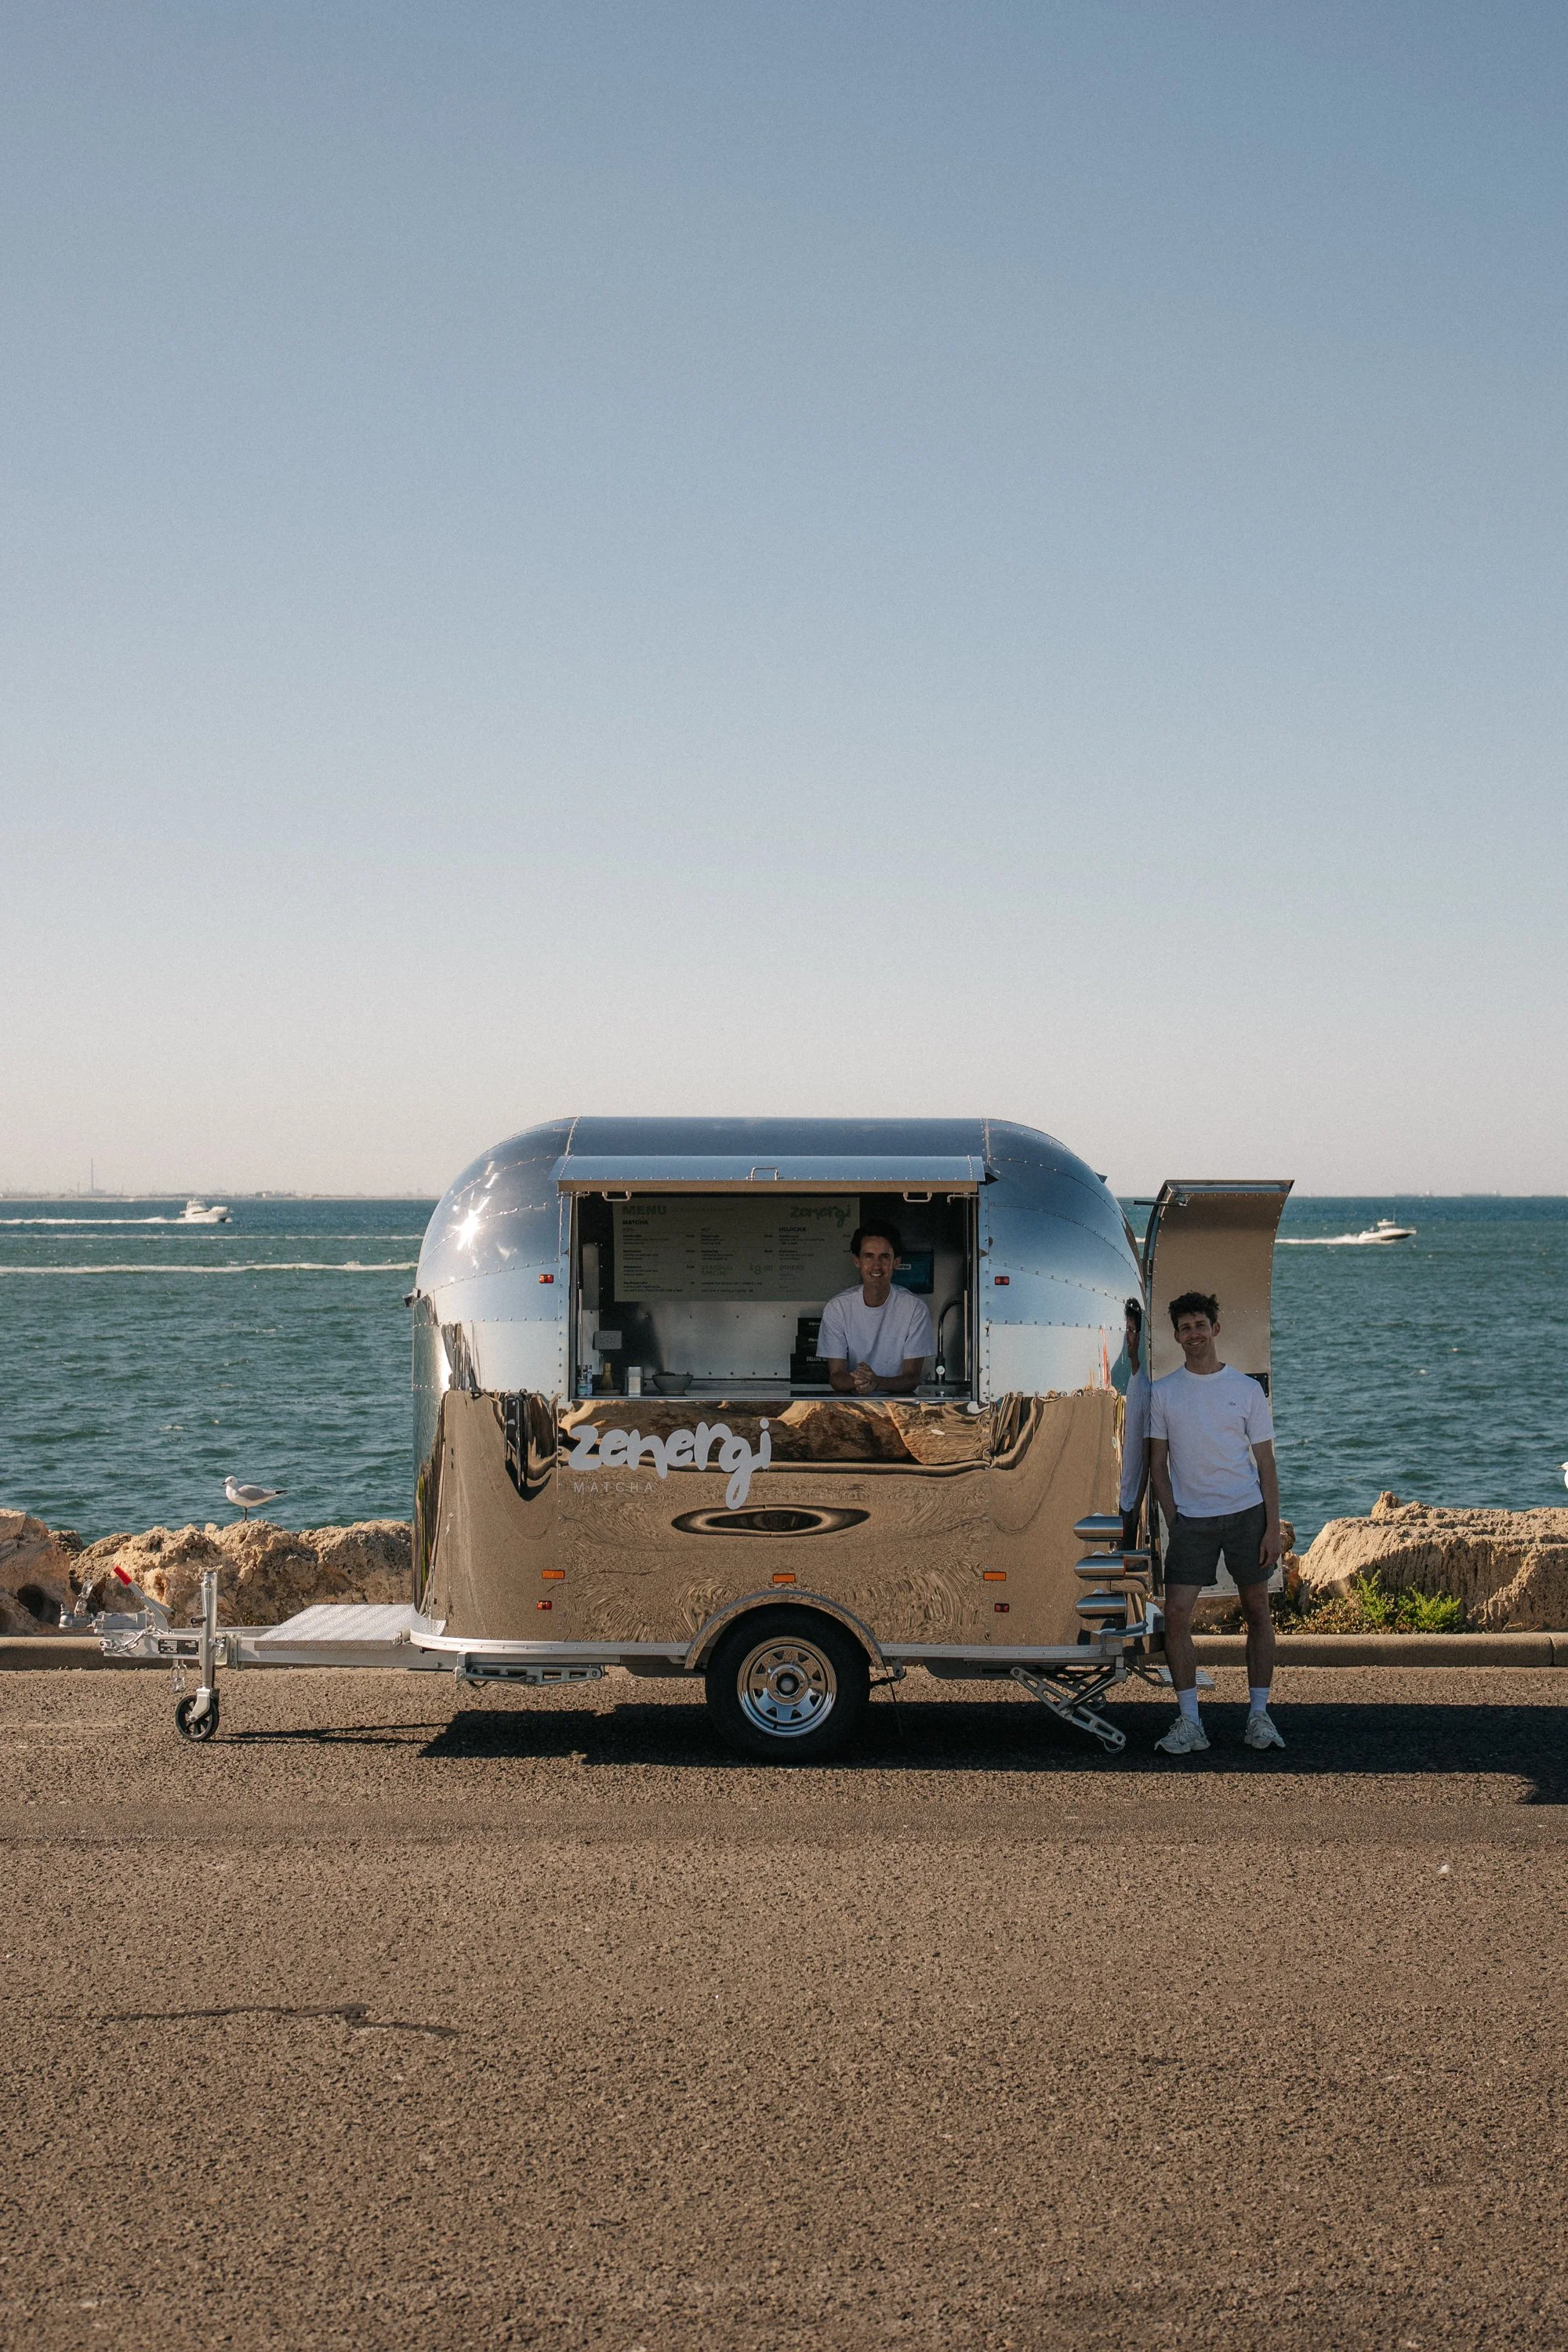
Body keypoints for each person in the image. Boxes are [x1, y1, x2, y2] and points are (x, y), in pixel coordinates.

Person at [1148, 1290, 1285, 1756]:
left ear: (1215, 1329)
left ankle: (1259, 1717)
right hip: (1193, 1523)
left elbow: (1266, 1463)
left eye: (1200, 1326)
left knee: (1257, 1611)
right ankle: (1190, 1722)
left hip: (1247, 1516)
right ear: (1176, 1335)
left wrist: (1272, 1527)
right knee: (1178, 1618)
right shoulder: (1163, 1392)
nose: (1193, 1335)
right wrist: (1174, 1520)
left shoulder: (1246, 1390)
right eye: (1184, 1328)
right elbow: (1157, 1466)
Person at [818, 1220, 933, 1396]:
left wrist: (877, 1382)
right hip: (852, 1408)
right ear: (857, 1261)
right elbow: (836, 1376)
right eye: (869, 1256)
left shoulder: (915, 1309)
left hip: (900, 1408)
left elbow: (911, 1378)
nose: (876, 1265)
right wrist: (860, 1381)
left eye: (884, 1257)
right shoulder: (837, 1308)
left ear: (896, 1261)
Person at [1113, 1297, 1151, 1552]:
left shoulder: (1147, 1389)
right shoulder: (1134, 1379)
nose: (1128, 1338)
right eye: (1125, 1331)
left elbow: (1148, 1455)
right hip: (1123, 1498)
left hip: (1131, 1503)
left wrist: (1137, 1507)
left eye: (1131, 1331)